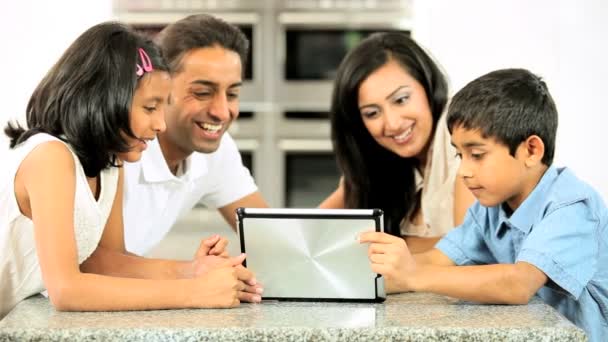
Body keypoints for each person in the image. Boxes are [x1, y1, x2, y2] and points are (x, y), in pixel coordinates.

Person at [0, 22, 262, 319]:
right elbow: (65, 289)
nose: (161, 124)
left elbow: (105, 262)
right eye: (150, 108)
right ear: (106, 100)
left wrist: (193, 271)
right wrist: (195, 292)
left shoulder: (111, 162)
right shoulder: (50, 157)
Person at [359, 68, 608, 342]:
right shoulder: (489, 208)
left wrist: (413, 276)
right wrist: (374, 273)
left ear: (531, 150)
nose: (463, 171)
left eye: (477, 155)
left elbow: (518, 283)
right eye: (459, 154)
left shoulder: (571, 206)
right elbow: (438, 259)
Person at [121, 14, 268, 256]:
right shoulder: (123, 148)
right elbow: (99, 265)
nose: (221, 112)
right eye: (201, 93)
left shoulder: (218, 151)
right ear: (158, 87)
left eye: (232, 94)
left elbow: (269, 237)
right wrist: (195, 275)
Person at [320, 32, 475, 253]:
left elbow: (469, 249)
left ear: (427, 85)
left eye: (401, 99)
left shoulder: (462, 134)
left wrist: (380, 245)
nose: (392, 124)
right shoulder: (373, 161)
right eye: (372, 113)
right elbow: (310, 229)